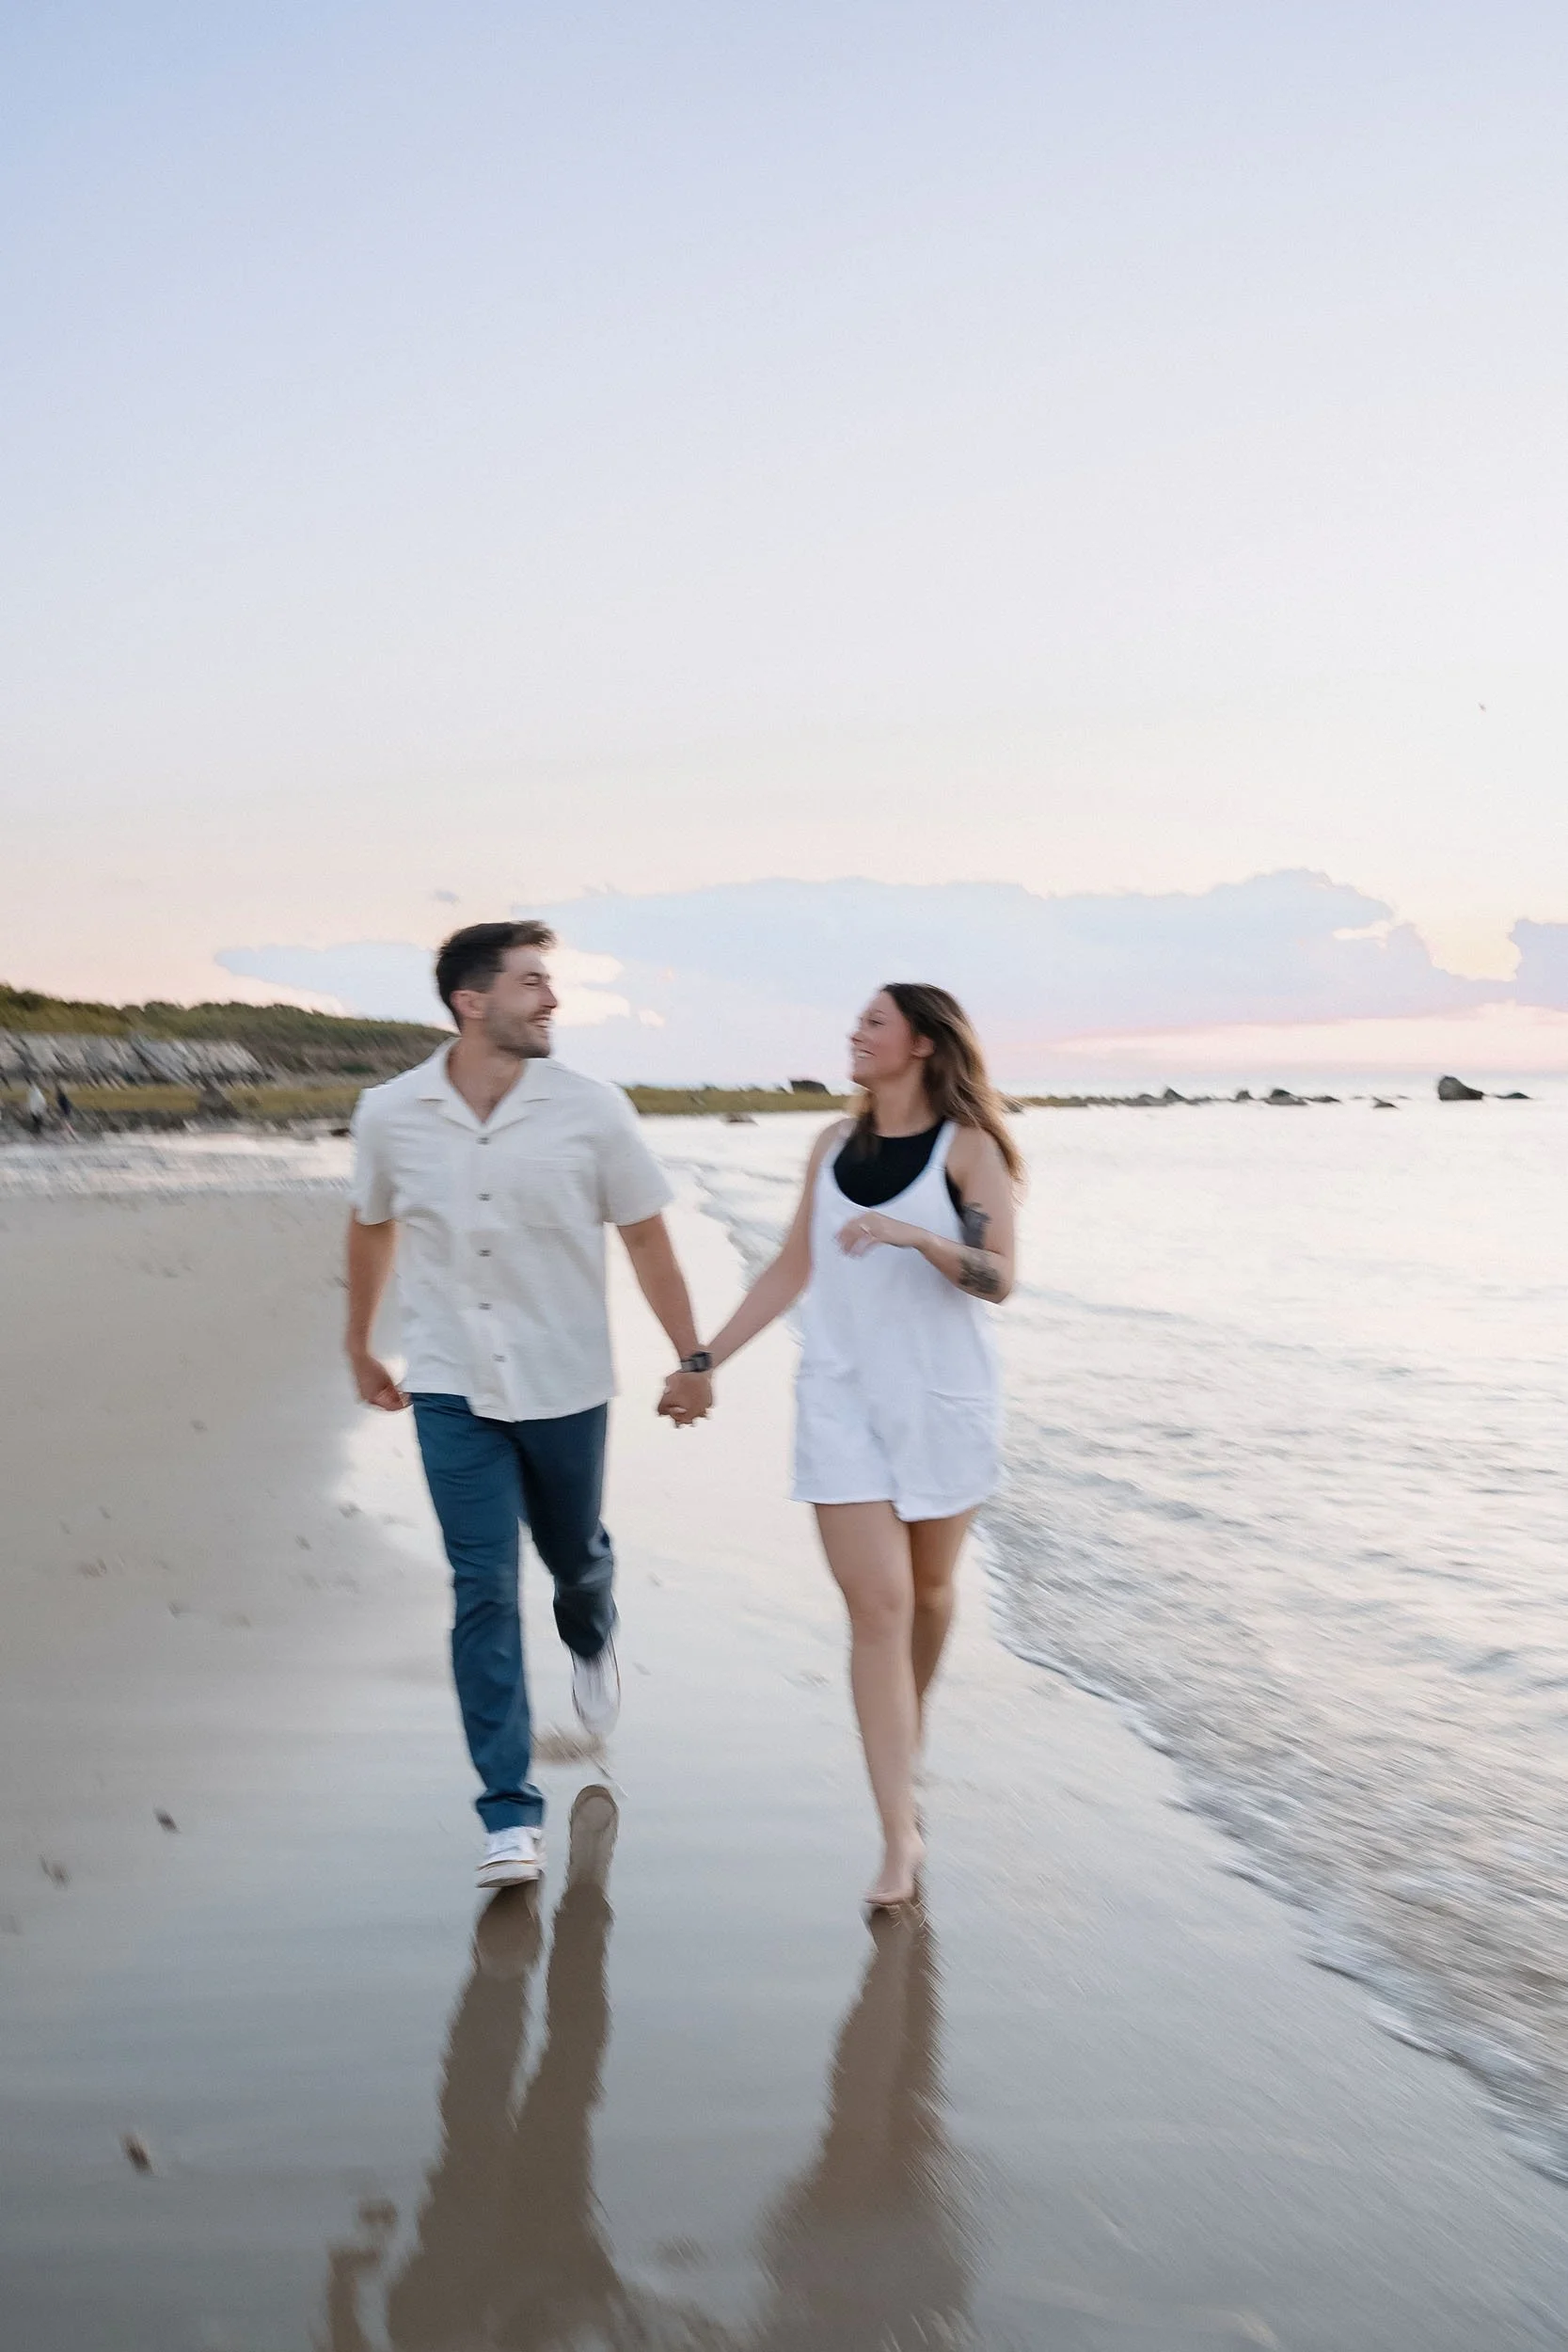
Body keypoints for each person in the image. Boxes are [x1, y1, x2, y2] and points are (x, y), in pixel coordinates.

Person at [346, 922, 714, 1890]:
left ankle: (591, 1630)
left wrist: (694, 1356)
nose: (550, 1001)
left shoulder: (593, 1111)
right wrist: (358, 1343)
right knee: (481, 1587)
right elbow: (370, 1224)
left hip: (562, 1384)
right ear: (472, 1002)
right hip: (448, 1384)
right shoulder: (390, 1114)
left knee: (570, 1557)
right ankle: (507, 1812)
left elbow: (645, 1240)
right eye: (532, 983)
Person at [662, 984, 1019, 1909]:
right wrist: (703, 1359)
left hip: (942, 1404)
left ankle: (905, 1733)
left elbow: (996, 1278)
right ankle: (897, 1836)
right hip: (838, 1403)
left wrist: (912, 1234)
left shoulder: (968, 1150)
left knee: (930, 1595)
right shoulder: (829, 1145)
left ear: (924, 1046)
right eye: (856, 1022)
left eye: (873, 1023)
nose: (854, 1035)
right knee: (880, 1608)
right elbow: (791, 1267)